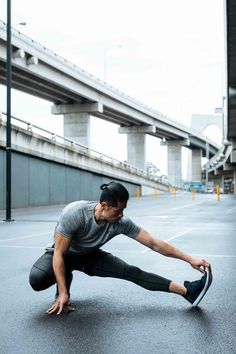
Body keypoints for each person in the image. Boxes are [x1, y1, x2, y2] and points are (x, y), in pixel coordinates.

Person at [29, 182, 212, 315]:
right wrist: (63, 292)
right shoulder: (75, 213)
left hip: (89, 257)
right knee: (37, 279)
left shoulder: (120, 222)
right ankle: (63, 291)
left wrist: (189, 259)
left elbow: (154, 243)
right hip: (62, 254)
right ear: (103, 206)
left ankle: (188, 292)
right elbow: (60, 254)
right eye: (118, 210)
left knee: (131, 272)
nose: (122, 215)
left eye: (124, 209)